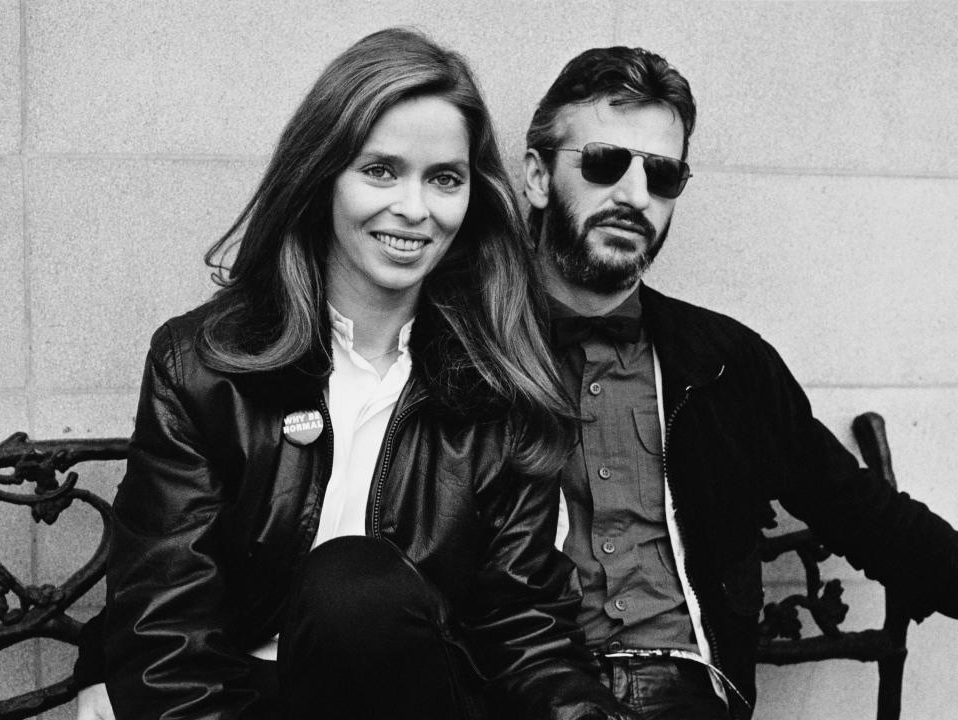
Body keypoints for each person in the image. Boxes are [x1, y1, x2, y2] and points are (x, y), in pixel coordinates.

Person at [73, 28, 636, 720]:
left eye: (444, 179)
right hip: (237, 701)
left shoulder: (499, 383)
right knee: (348, 582)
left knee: (356, 588)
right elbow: (165, 627)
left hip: (418, 697)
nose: (414, 208)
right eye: (380, 171)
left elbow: (522, 624)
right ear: (322, 176)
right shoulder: (204, 366)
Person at [522, 45, 958, 720]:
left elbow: (866, 514)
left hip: (685, 689)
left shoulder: (724, 364)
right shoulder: (470, 351)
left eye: (662, 175)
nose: (635, 195)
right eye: (605, 162)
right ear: (537, 176)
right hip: (522, 685)